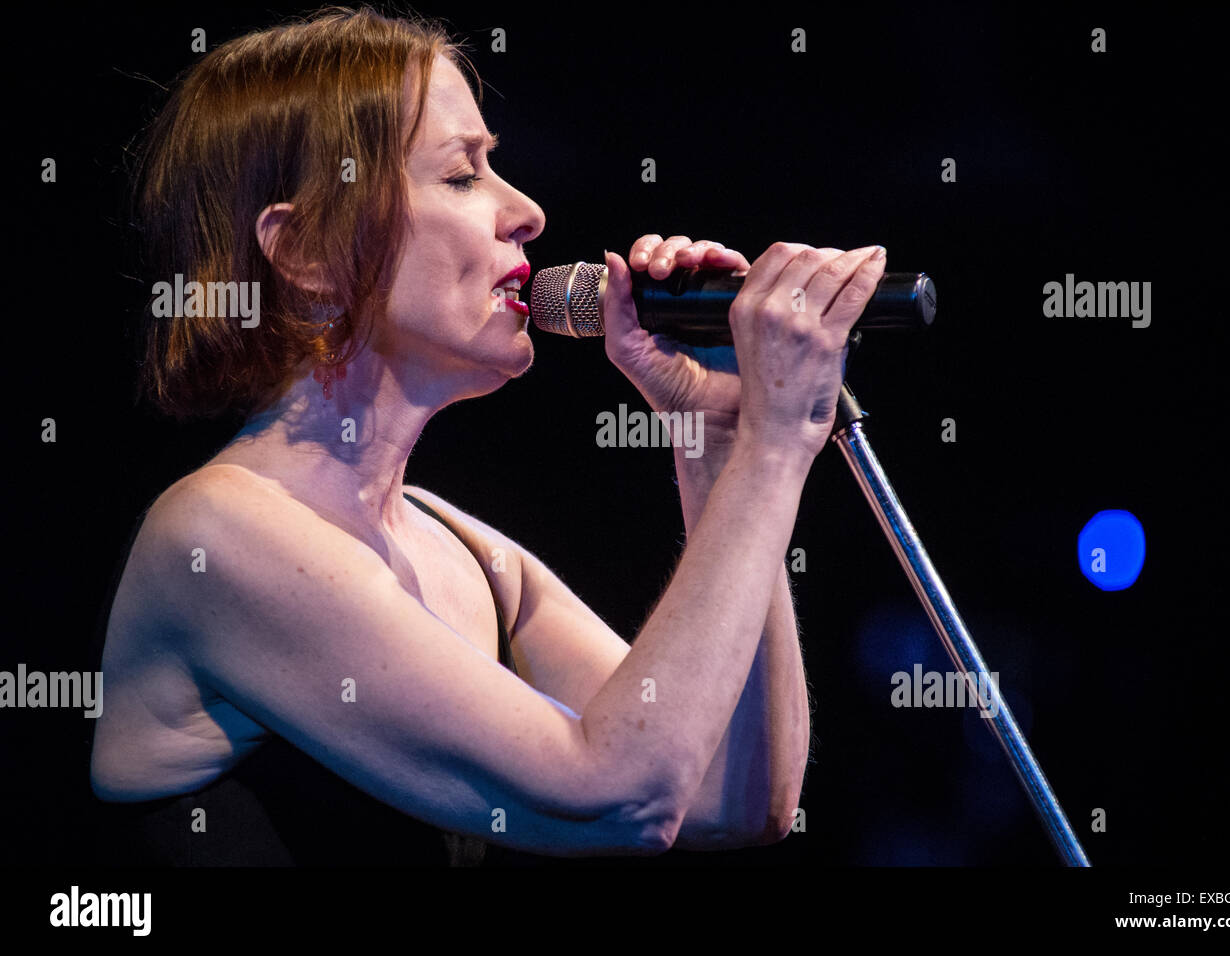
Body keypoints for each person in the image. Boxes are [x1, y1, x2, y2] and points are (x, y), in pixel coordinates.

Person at [89, 6, 888, 864]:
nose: (529, 213)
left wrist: (722, 443)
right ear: (309, 250)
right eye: (463, 176)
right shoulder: (214, 535)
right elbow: (621, 795)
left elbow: (727, 801)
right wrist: (774, 450)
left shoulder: (467, 554)